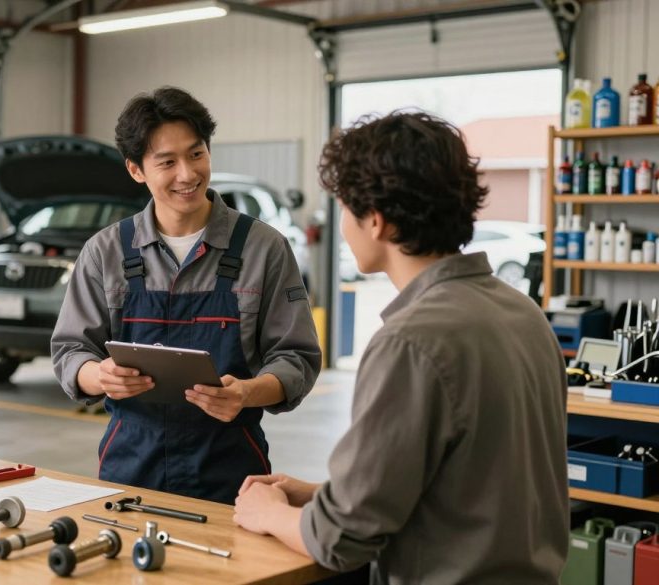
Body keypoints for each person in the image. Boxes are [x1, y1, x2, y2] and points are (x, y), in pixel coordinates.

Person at [234, 111, 569, 584]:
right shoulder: (523, 313)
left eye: (346, 207)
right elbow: (468, 483)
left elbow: (341, 541)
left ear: (376, 220)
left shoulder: (411, 342)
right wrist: (321, 494)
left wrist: (268, 513)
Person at [51, 87, 321, 505]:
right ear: (136, 170)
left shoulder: (264, 248)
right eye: (167, 162)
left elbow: (297, 358)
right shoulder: (105, 252)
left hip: (232, 469)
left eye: (196, 154)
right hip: (129, 467)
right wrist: (98, 375)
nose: (187, 174)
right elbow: (71, 350)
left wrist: (247, 392)